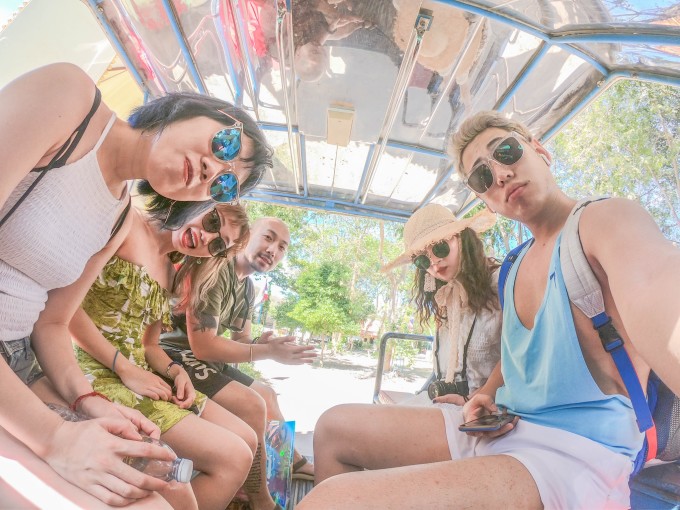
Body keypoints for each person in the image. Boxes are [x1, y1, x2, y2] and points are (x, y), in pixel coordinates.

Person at [297, 110, 680, 510]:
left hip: (575, 452)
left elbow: (657, 291)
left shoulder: (605, 222)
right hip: (504, 426)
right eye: (482, 176)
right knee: (334, 428)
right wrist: (483, 395)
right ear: (484, 199)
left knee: (330, 502)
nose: (499, 174)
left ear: (540, 150)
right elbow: (515, 359)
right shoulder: (514, 267)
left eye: (506, 152)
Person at [0, 62, 272, 507]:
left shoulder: (117, 217)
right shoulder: (70, 98)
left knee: (170, 489)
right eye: (224, 144)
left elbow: (51, 324)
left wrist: (87, 400)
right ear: (194, 109)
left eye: (224, 186)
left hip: (22, 362)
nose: (212, 170)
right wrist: (55, 438)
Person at [69, 203, 256, 510]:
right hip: (93, 367)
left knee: (247, 438)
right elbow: (65, 310)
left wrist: (175, 371)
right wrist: (125, 368)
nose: (208, 237)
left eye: (219, 245)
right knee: (233, 458)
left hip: (139, 373)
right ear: (200, 203)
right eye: (213, 221)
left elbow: (150, 346)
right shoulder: (125, 223)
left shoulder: (170, 272)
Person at [160, 217, 318, 490]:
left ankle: (290, 462)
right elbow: (203, 345)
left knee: (267, 394)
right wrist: (268, 351)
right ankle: (254, 489)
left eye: (282, 247)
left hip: (205, 360)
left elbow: (241, 339)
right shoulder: (217, 268)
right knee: (253, 404)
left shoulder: (247, 287)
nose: (273, 250)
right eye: (268, 237)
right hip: (175, 355)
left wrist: (262, 342)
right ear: (246, 235)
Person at [380, 204, 501, 407]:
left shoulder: (501, 282)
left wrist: (472, 400)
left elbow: (520, 354)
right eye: (422, 260)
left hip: (486, 407)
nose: (434, 262)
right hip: (447, 403)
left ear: (462, 239)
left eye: (440, 248)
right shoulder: (445, 299)